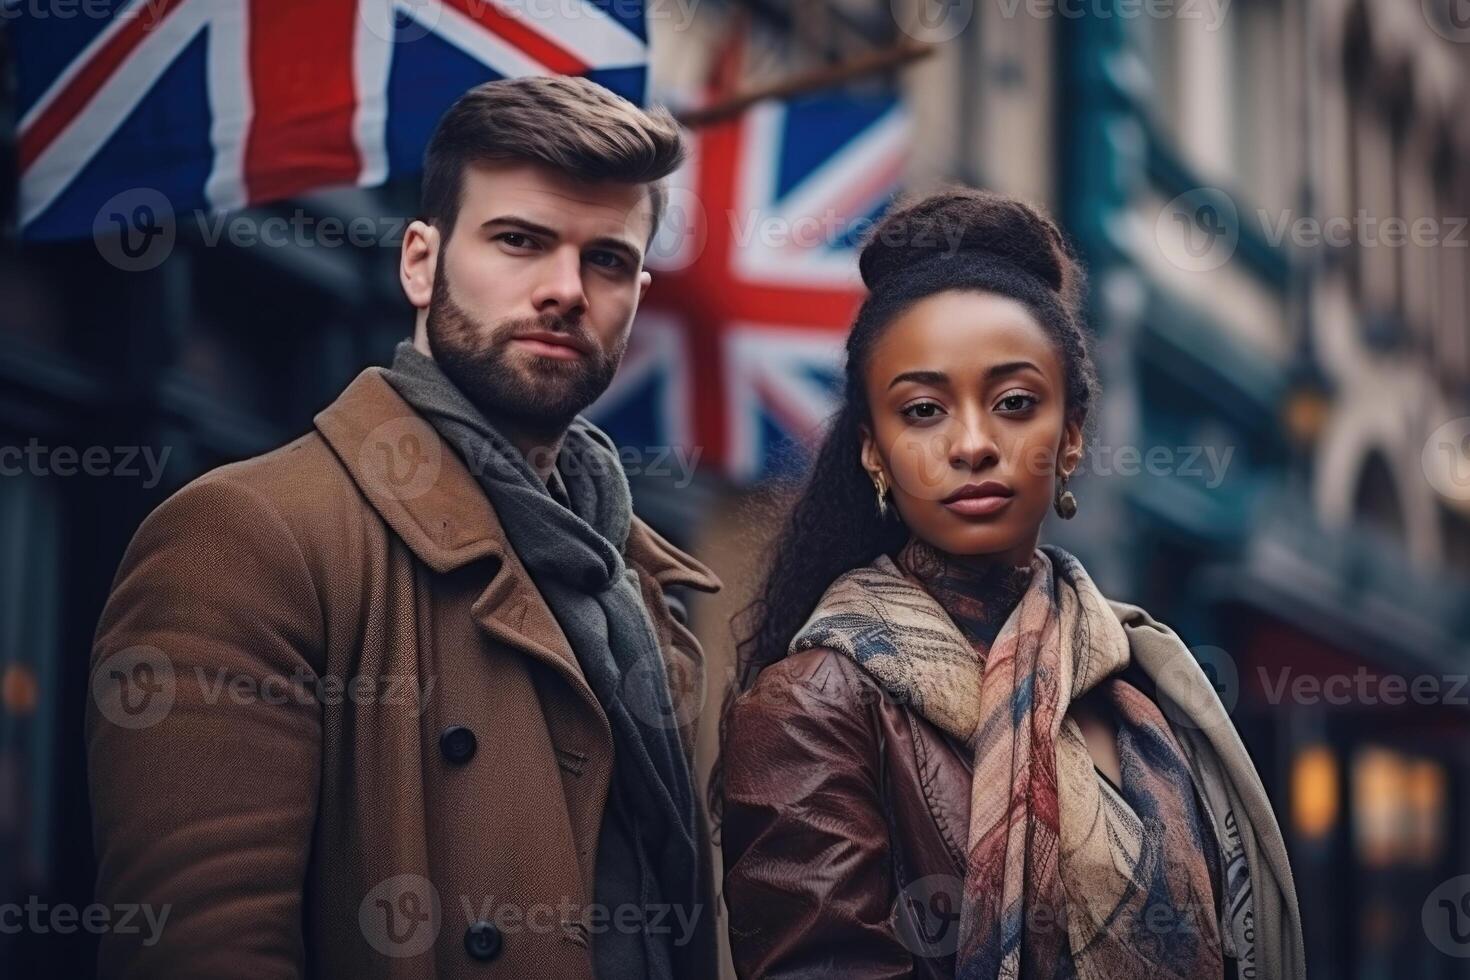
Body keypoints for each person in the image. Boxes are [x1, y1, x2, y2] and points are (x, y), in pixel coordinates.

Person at [87, 75, 721, 980]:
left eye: (607, 260)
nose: (565, 290)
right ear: (420, 261)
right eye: (519, 241)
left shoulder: (639, 591)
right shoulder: (248, 538)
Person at [719, 188, 1304, 979]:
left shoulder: (1143, 679)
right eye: (923, 409)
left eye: (1015, 403)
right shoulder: (813, 706)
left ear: (1069, 440)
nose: (972, 444)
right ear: (873, 451)